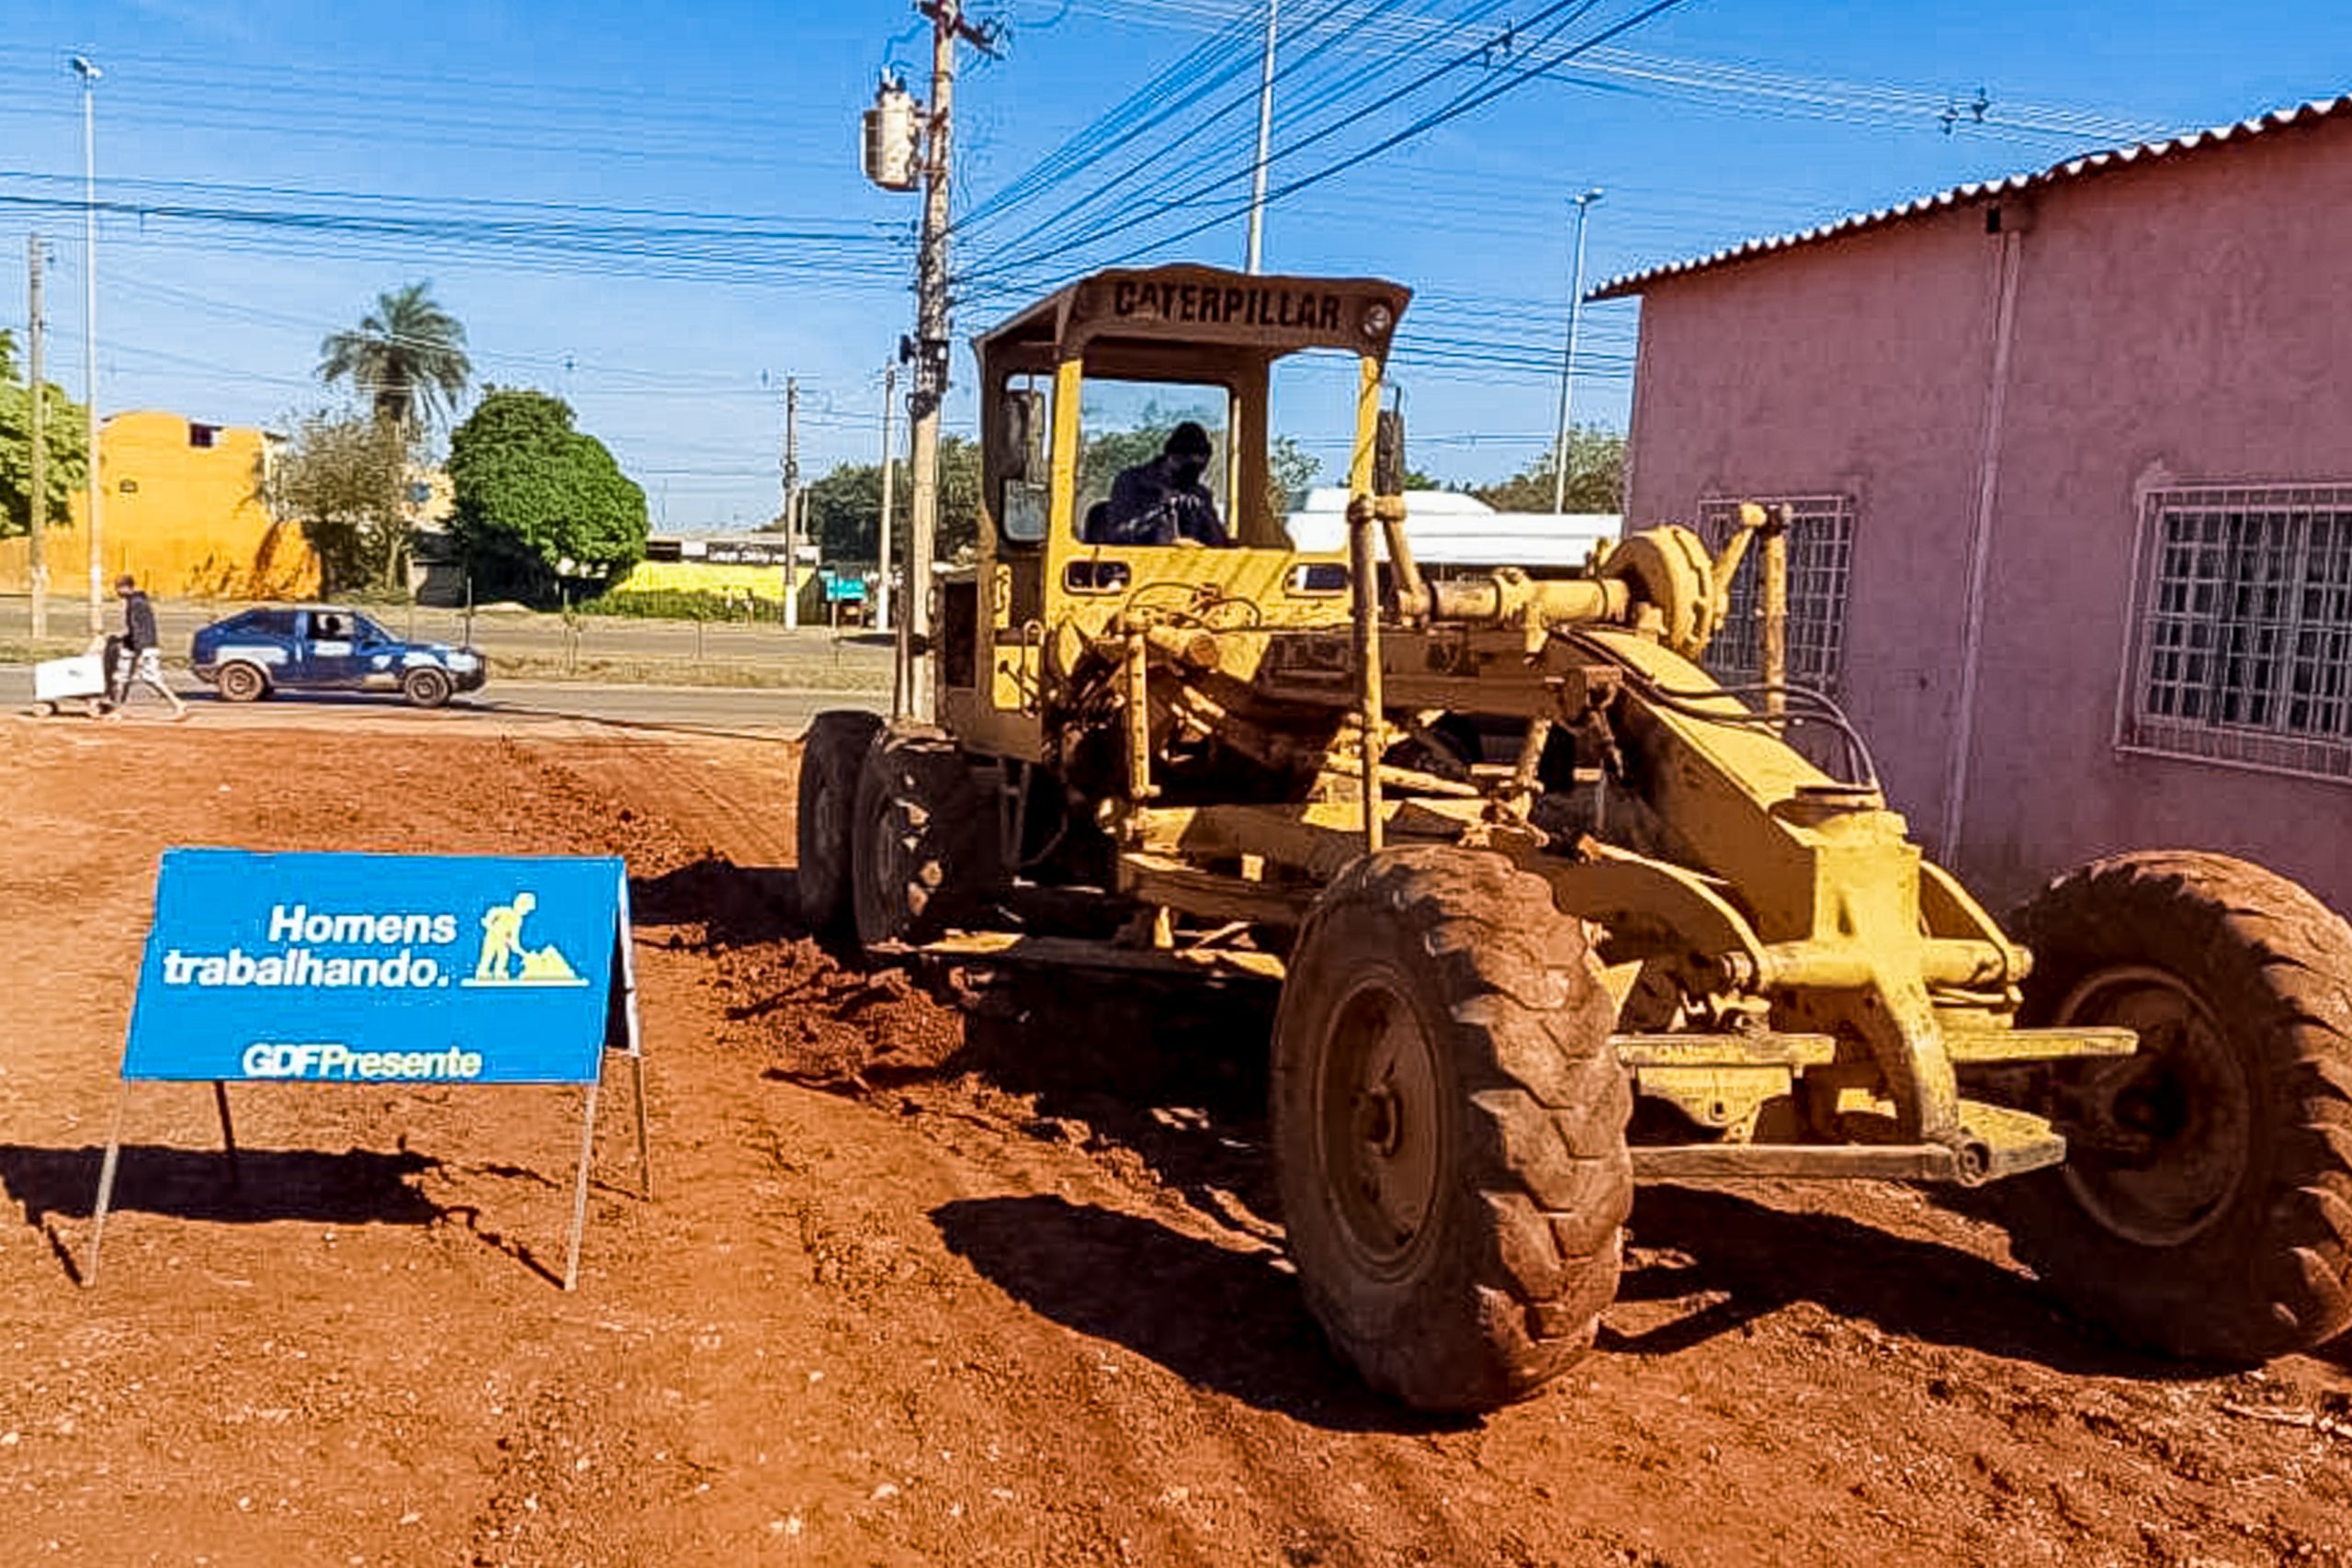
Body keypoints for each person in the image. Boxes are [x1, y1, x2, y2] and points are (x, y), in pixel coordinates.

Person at [1087, 421, 1230, 547]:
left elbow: (1220, 545)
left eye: (1199, 469)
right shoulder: (1131, 482)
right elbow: (1116, 535)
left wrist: (1205, 515)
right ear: (1171, 456)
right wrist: (1159, 514)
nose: (1193, 476)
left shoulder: (1200, 494)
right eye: (1186, 467)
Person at [107, 574, 188, 721]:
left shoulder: (136, 604)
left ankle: (178, 704)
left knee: (149, 678)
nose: (116, 592)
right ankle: (116, 710)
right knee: (122, 677)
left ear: (125, 587)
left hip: (142, 648)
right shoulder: (137, 601)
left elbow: (140, 630)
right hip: (138, 646)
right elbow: (138, 628)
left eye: (117, 588)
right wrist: (124, 639)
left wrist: (138, 650)